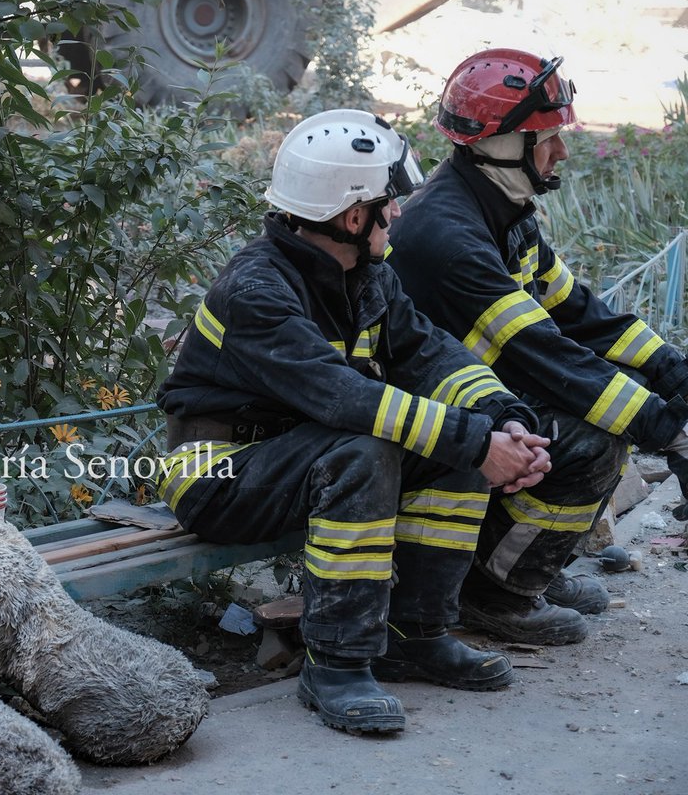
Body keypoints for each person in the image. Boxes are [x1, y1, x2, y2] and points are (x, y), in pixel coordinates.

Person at [156, 109, 552, 735]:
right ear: (351, 216)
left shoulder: (366, 276)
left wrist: (500, 420)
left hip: (299, 457)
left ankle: (414, 636)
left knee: (442, 445)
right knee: (369, 446)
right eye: (388, 202)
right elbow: (346, 399)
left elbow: (431, 355)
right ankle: (337, 664)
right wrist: (475, 443)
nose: (398, 212)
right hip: (217, 476)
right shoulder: (258, 289)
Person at [387, 49, 688, 647]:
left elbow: (579, 315)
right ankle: (499, 592)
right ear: (498, 143)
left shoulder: (505, 212)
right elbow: (543, 352)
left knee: (603, 413)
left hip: (477, 394)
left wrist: (673, 372)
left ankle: (523, 568)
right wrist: (665, 427)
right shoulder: (449, 234)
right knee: (593, 439)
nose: (562, 153)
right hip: (422, 411)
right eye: (546, 138)